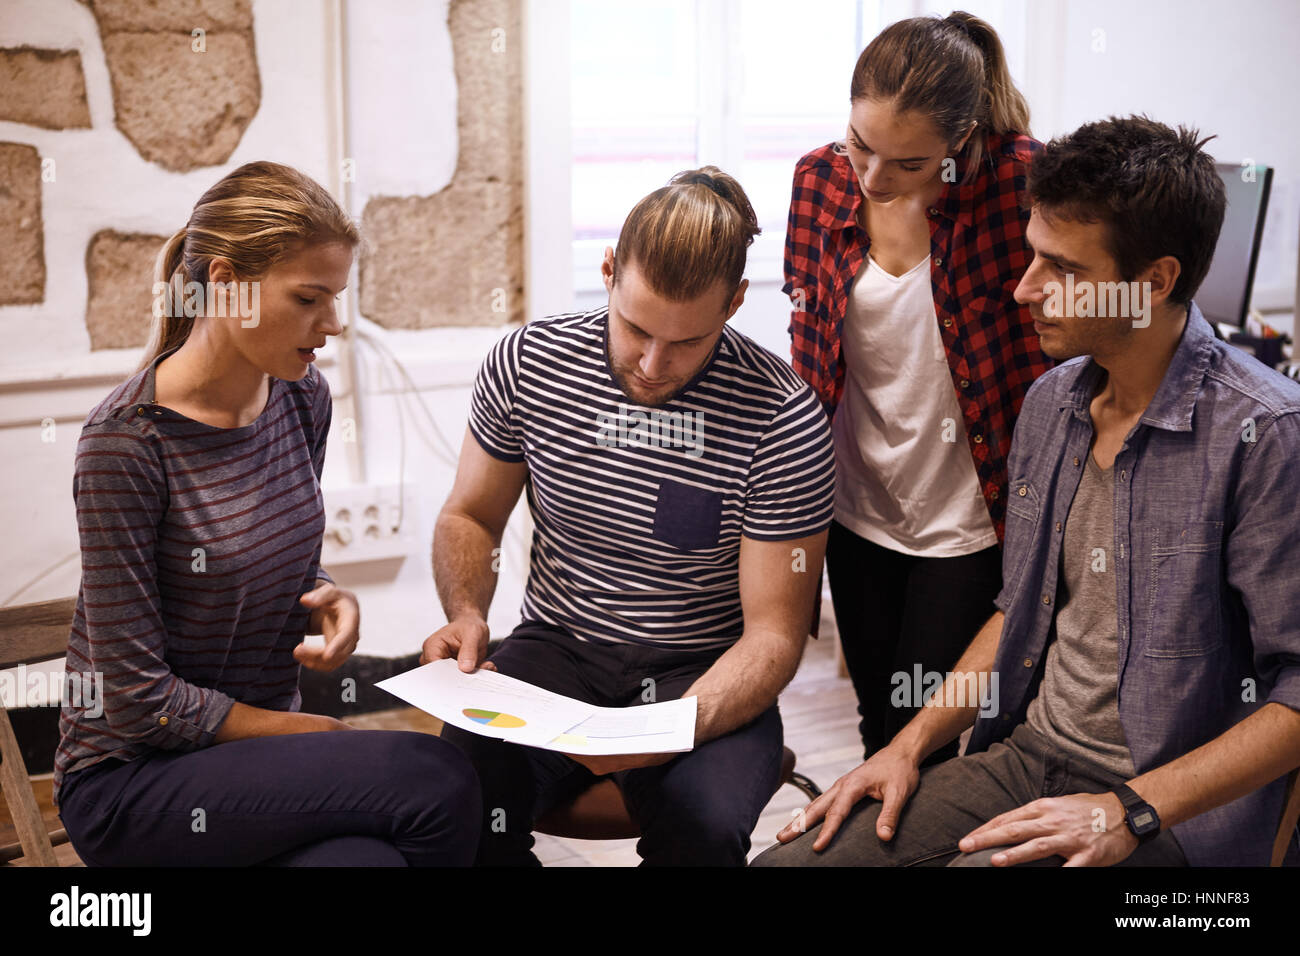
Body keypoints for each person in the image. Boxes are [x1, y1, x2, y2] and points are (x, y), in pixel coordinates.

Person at [753, 115, 1300, 867]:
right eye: (1033, 256)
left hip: (1172, 812)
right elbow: (1019, 612)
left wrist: (1126, 811)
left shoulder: (1266, 435)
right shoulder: (1051, 404)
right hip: (1031, 756)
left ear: (1155, 282)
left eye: (1064, 271)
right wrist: (906, 747)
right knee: (788, 864)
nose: (1024, 289)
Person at [54, 161, 481, 867]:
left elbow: (267, 550)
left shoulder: (300, 397)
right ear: (226, 284)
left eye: (336, 297)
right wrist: (303, 733)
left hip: (250, 768)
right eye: (310, 297)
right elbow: (135, 700)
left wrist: (327, 596)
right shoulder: (126, 443)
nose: (334, 325)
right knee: (436, 779)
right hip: (131, 783)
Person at [426, 167, 836, 866]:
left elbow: (774, 634)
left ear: (735, 302)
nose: (651, 364)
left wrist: (680, 724)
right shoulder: (528, 364)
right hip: (557, 650)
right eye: (636, 328)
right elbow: (469, 515)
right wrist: (467, 611)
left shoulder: (783, 417)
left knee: (701, 827)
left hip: (705, 670)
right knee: (457, 807)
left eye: (686, 342)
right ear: (610, 271)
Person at [784, 11, 1052, 764]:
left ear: (962, 139)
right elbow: (809, 358)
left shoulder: (1023, 185)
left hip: (972, 516)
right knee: (877, 723)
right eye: (860, 144)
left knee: (927, 737)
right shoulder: (817, 180)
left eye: (907, 164)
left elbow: (1060, 360)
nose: (872, 176)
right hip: (856, 508)